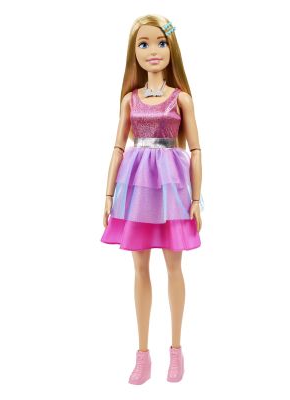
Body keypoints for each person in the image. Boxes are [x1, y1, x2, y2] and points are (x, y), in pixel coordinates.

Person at [100, 14, 205, 384]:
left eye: (160, 42)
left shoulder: (181, 99)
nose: (152, 51)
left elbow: (196, 149)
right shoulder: (130, 100)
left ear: (171, 47)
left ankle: (176, 350)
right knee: (140, 268)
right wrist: (108, 193)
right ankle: (142, 354)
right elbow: (118, 146)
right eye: (143, 44)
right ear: (134, 52)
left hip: (172, 186)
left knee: (174, 266)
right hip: (137, 186)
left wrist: (197, 199)